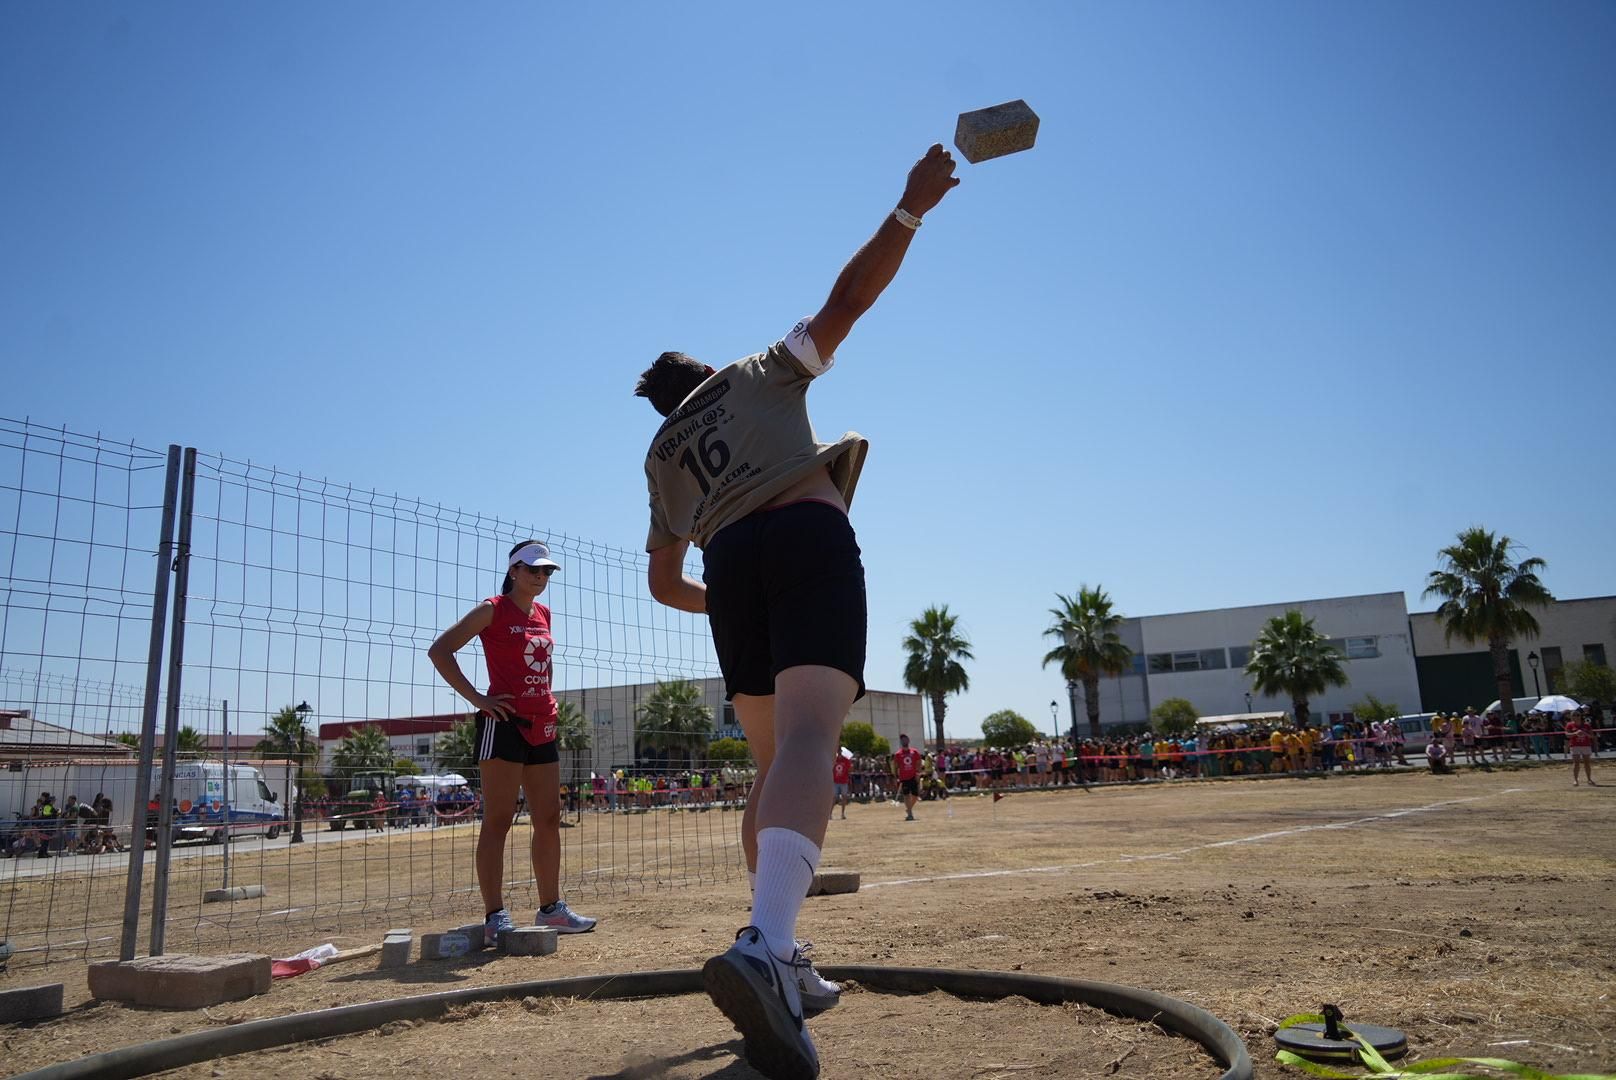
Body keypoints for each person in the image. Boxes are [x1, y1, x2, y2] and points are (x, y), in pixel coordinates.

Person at [635, 144, 960, 1079]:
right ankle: (767, 949)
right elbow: (846, 306)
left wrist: (730, 612)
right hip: (804, 541)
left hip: (729, 571)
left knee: (776, 766)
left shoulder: (661, 460)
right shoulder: (749, 376)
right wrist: (908, 209)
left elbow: (662, 583)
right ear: (701, 372)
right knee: (817, 744)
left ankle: (775, 941)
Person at [428, 539, 596, 945]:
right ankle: (494, 915)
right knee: (499, 821)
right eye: (533, 569)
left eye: (547, 572)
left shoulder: (544, 613)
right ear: (514, 571)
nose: (541, 577)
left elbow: (545, 662)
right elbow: (440, 650)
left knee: (549, 819)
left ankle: (551, 909)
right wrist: (480, 700)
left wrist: (549, 699)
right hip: (501, 724)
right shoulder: (492, 609)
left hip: (542, 724)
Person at [892, 733, 924, 821]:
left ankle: (909, 809)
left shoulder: (914, 752)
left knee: (915, 795)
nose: (904, 741)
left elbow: (919, 763)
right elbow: (895, 766)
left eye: (905, 739)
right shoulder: (898, 754)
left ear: (908, 740)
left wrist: (918, 773)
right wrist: (895, 777)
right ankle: (910, 814)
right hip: (904, 778)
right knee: (906, 795)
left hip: (913, 776)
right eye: (902, 740)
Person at [1566, 710, 1597, 787]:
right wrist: (1575, 733)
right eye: (1574, 715)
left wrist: (1585, 733)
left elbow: (1592, 736)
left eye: (1578, 715)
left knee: (1587, 763)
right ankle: (1575, 780)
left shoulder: (1586, 725)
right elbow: (1567, 735)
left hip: (1585, 745)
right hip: (1575, 745)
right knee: (1576, 763)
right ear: (1571, 717)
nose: (1576, 717)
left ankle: (1589, 779)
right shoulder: (1569, 725)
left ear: (1580, 716)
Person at [830, 750, 852, 821]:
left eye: (840, 752)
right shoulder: (834, 759)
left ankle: (842, 814)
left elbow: (850, 769)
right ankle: (830, 814)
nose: (839, 754)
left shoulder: (846, 760)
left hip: (843, 782)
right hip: (835, 782)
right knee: (834, 798)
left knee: (844, 797)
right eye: (838, 752)